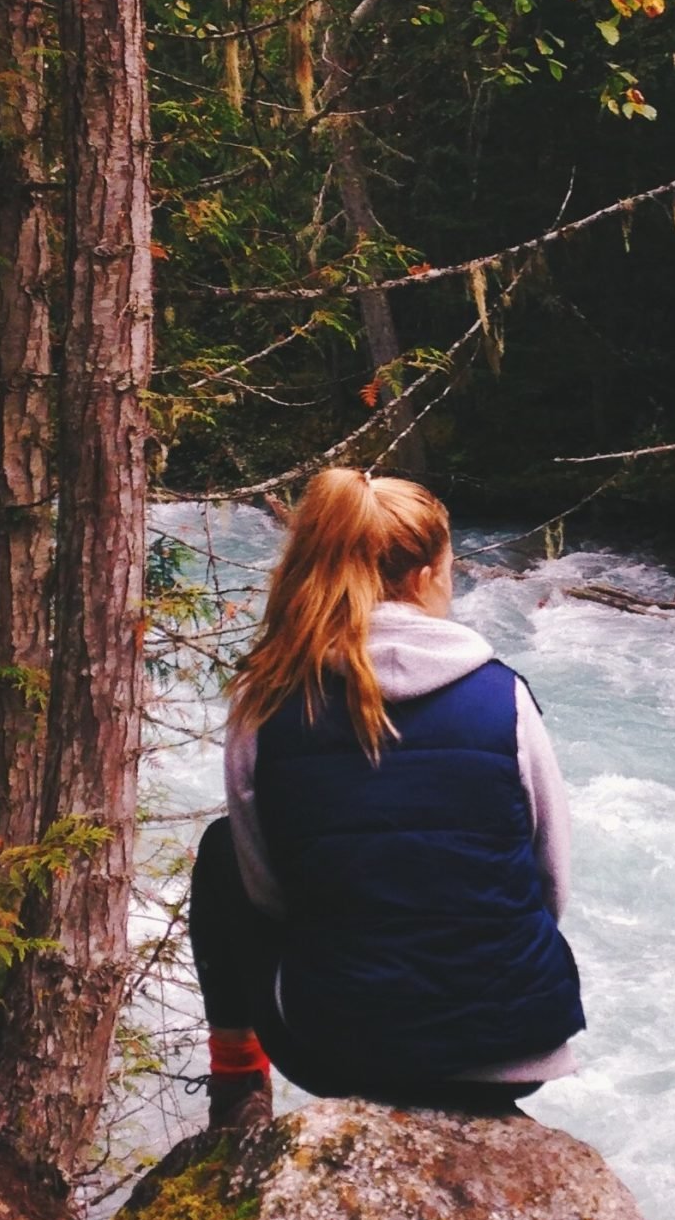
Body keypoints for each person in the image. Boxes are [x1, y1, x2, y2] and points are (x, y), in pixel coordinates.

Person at [187, 466, 584, 1126]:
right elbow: (551, 885)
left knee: (222, 847)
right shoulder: (504, 697)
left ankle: (236, 1084)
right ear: (428, 575)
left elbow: (264, 891)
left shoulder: (268, 701)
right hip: (514, 1046)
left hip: (338, 1051)